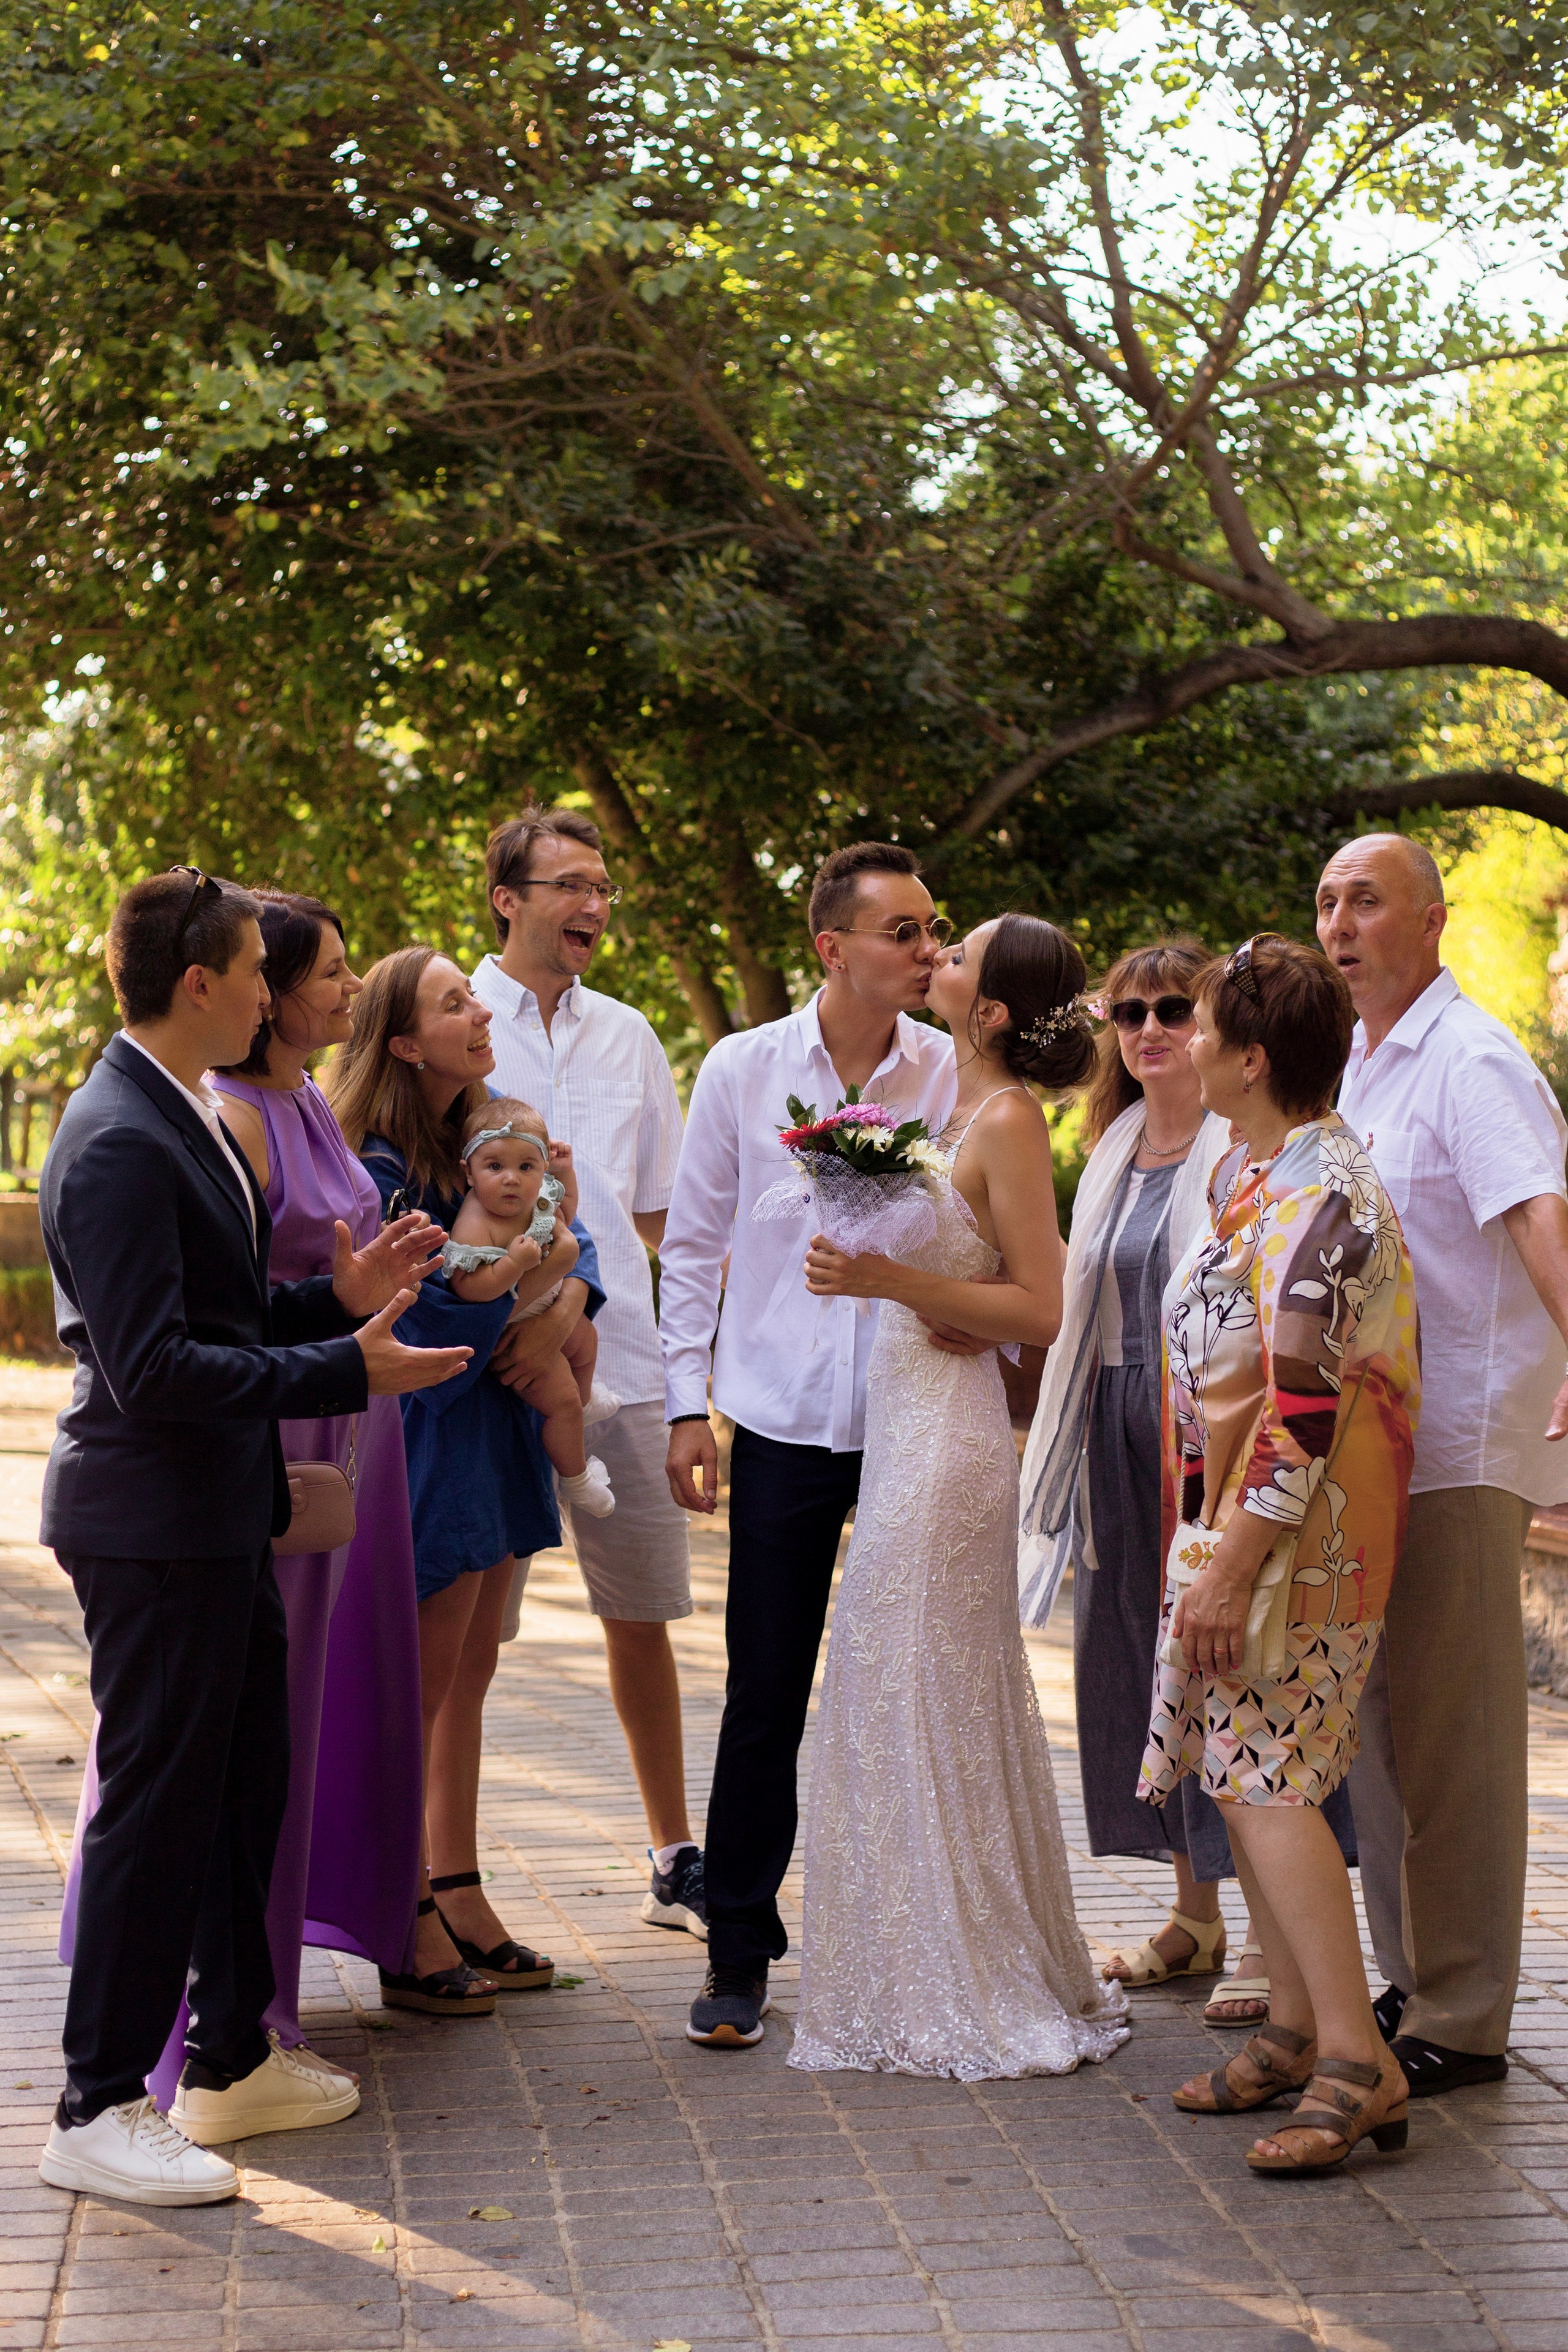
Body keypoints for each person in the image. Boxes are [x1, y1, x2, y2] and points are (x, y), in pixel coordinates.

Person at [38, 869, 467, 2205]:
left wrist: (332, 1311)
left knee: (242, 1792)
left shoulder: (184, 1115)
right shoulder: (118, 1134)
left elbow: (224, 1315)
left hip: (225, 1513)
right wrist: (348, 1371)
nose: (280, 993)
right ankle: (97, 2103)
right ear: (204, 984)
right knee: (156, 1811)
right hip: (151, 1524)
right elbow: (154, 1369)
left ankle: (234, 2060)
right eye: (252, 966)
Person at [789, 913, 1131, 2076]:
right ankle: (910, 1959)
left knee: (923, 1679)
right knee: (903, 1679)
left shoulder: (1013, 1123)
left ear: (988, 1010)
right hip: (906, 1415)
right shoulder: (950, 1107)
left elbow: (1043, 1305)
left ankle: (972, 1976)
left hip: (950, 1445)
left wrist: (884, 1274)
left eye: (959, 952)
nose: (936, 953)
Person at [659, 840, 962, 2049]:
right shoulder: (741, 1067)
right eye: (903, 930)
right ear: (831, 946)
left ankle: (915, 1948)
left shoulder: (946, 1069)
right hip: (778, 1418)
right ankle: (738, 1952)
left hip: (911, 1412)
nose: (926, 949)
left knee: (909, 1684)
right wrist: (689, 1403)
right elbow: (690, 1246)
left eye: (932, 929)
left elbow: (943, 1225)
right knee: (763, 1687)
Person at [1145, 935, 1419, 2176]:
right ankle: (1298, 2035)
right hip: (1249, 1536)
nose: (1184, 1046)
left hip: (1299, 1552)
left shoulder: (1321, 1202)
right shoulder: (1259, 1174)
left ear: (1249, 1060)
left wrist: (1226, 1567)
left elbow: (1301, 1413)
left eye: (1201, 1028)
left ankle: (1360, 2063)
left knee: (1267, 1785)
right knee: (1241, 1775)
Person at [1317, 833, 1568, 2095]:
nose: (1337, 923)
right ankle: (1408, 1973)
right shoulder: (1355, 1069)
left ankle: (1461, 2015)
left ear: (1431, 921)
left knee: (1455, 1740)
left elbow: (1535, 1212)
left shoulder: (1468, 1059)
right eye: (1325, 903)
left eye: (1363, 900)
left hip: (1460, 1442)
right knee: (1376, 1728)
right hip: (1366, 1452)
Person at [327, 948, 605, 2002]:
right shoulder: (381, 1165)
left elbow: (576, 1252)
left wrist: (563, 1298)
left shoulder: (486, 1137)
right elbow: (440, 1313)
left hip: (494, 1434)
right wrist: (544, 1271)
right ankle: (405, 1917)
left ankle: (459, 1884)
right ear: (404, 1041)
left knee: (473, 1677)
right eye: (453, 1003)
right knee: (425, 1686)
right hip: (429, 1435)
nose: (480, 1009)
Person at [472, 807, 702, 1939]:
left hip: (636, 1360)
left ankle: (675, 1857)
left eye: (604, 887)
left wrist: (701, 1384)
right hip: (489, 1369)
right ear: (508, 899)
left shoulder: (632, 1035)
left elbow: (662, 1217)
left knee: (645, 1612)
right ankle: (441, 1879)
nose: (595, 908)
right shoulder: (449, 1019)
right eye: (571, 885)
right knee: (465, 1632)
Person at [1018, 941, 1255, 2015]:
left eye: (1173, 1009)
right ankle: (1195, 1915)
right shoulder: (1111, 1138)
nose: (1151, 1028)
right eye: (1129, 1012)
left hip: (1204, 1433)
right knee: (1141, 1662)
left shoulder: (1237, 1142)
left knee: (1227, 1666)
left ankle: (1271, 1941)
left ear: (1211, 1025)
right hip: (1113, 1424)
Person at [445, 1098, 615, 1518]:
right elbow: (470, 1289)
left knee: (586, 1340)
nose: (511, 1181)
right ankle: (576, 1480)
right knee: (562, 1406)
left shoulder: (536, 1200)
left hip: (545, 1305)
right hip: (513, 1331)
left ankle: (587, 1396)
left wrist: (566, 1174)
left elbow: (568, 1213)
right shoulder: (475, 1221)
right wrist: (512, 1264)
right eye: (495, 1167)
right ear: (468, 1171)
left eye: (526, 1168)